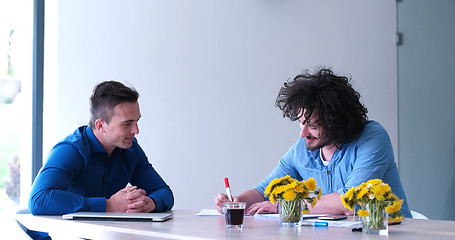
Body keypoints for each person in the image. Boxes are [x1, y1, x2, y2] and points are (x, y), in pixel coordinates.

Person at [214, 68, 412, 218]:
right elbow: (267, 190)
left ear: (336, 120)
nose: (303, 133)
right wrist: (237, 202)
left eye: (312, 125)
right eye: (301, 123)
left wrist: (286, 206)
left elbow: (349, 201)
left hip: (392, 233)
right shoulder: (304, 149)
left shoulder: (372, 137)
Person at [29, 81, 174, 215]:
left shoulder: (131, 149)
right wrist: (108, 205)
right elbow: (38, 199)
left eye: (137, 121)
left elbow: (163, 192)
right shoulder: (70, 150)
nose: (136, 130)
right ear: (100, 125)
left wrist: (150, 203)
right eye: (127, 124)